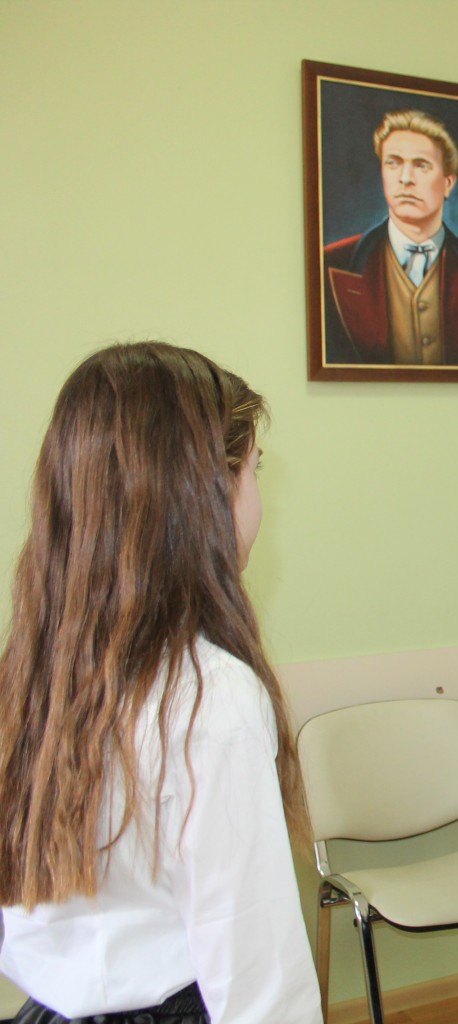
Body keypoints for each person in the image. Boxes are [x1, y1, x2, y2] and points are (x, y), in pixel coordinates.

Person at [0, 343, 322, 1023]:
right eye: (253, 469)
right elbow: (260, 979)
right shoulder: (209, 698)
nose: (258, 499)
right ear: (203, 495)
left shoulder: (32, 676)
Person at [323, 109, 458, 367]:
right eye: (393, 163)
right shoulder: (332, 263)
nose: (405, 179)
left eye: (421, 165)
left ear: (448, 183)